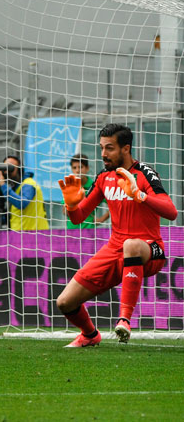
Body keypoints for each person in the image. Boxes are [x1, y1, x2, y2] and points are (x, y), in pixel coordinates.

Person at [56, 124, 177, 347]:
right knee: (64, 302)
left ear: (126, 148)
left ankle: (124, 319)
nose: (103, 154)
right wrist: (72, 205)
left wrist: (140, 195)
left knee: (131, 244)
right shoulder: (103, 178)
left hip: (150, 249)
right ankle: (90, 335)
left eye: (109, 148)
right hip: (115, 249)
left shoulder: (144, 174)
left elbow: (171, 212)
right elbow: (79, 217)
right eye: (101, 148)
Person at [0, 156, 49, 231]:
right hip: (21, 235)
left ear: (19, 169)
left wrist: (3, 185)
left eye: (10, 168)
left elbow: (21, 203)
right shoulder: (15, 188)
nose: (7, 172)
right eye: (4, 169)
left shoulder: (29, 184)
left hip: (35, 235)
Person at [63, 154, 109, 229]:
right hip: (71, 230)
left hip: (89, 230)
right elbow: (64, 211)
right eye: (74, 168)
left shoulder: (95, 185)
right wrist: (71, 205)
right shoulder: (70, 186)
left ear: (87, 168)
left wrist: (100, 220)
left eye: (80, 167)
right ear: (71, 169)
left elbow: (112, 205)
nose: (77, 170)